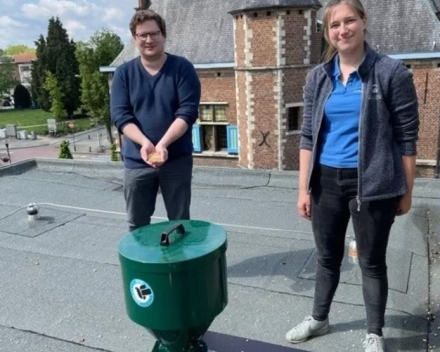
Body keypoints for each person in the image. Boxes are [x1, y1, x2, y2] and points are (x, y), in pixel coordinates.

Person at [285, 1, 419, 351]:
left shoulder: (391, 73)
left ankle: (374, 332)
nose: (342, 30)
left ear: (363, 22)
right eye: (334, 25)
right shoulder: (319, 76)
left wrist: (406, 192)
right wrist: (303, 189)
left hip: (373, 184)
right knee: (327, 257)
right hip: (325, 182)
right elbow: (308, 136)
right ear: (327, 32)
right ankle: (319, 318)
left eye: (349, 21)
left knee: (372, 263)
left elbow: (406, 137)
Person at [111, 9, 201, 231]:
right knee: (137, 223)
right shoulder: (123, 73)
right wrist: (145, 144)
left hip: (176, 160)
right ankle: (143, 266)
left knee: (180, 222)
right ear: (135, 39)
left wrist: (162, 144)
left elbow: (187, 112)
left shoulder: (183, 69)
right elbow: (121, 116)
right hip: (136, 162)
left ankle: (179, 266)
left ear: (164, 35)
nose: (149, 40)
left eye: (154, 33)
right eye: (143, 35)